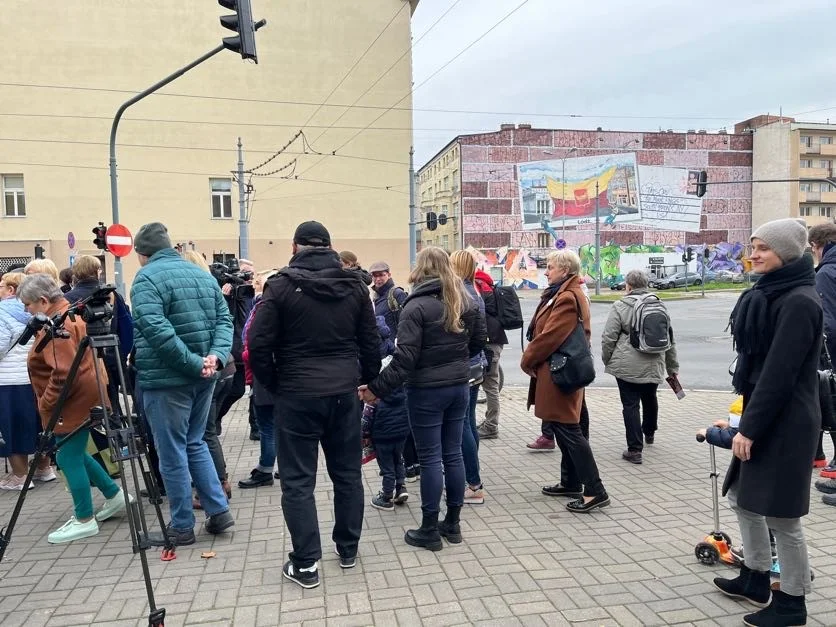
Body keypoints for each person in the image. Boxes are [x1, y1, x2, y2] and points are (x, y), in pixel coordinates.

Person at [249, 221, 380, 588]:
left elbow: (259, 346)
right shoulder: (355, 287)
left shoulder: (279, 285)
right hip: (343, 393)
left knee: (297, 481)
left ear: (294, 247)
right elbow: (371, 342)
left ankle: (306, 563)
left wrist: (275, 383)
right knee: (347, 474)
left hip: (297, 394)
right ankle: (348, 547)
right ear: (330, 247)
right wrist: (367, 382)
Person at [712, 218, 820, 626]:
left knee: (783, 518)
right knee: (741, 498)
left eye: (763, 248)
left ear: (787, 253)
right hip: (765, 412)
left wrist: (749, 429)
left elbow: (779, 374)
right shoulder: (770, 294)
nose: (753, 254)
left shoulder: (799, 301)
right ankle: (755, 577)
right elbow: (760, 372)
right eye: (753, 246)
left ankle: (793, 602)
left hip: (786, 423)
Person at [360, 247, 486, 551]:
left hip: (427, 391)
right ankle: (452, 524)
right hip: (458, 385)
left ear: (421, 269)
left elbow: (404, 360)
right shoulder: (465, 299)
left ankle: (430, 527)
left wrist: (375, 389)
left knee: (430, 458)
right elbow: (479, 341)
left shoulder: (415, 306)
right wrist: (454, 362)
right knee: (452, 453)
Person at [130, 222, 235, 546]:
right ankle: (218, 511)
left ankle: (181, 526)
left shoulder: (146, 279)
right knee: (195, 442)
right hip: (204, 376)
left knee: (172, 451)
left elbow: (156, 330)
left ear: (141, 253)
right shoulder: (202, 275)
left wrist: (193, 363)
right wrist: (214, 358)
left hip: (167, 380)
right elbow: (224, 320)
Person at [18, 274, 130, 543]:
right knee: (76, 451)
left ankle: (84, 518)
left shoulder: (58, 325)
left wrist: (46, 403)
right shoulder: (72, 314)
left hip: (70, 400)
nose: (26, 310)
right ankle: (114, 496)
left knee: (68, 457)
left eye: (28, 304)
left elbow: (63, 373)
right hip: (88, 393)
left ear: (43, 301)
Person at [520, 250, 609, 514]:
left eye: (550, 267)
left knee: (568, 430)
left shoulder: (567, 298)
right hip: (561, 371)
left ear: (566, 270)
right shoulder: (562, 294)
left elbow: (550, 336)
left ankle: (595, 490)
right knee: (567, 427)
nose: (546, 272)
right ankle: (571, 482)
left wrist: (527, 360)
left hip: (561, 373)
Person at [601, 269, 679, 464]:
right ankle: (650, 432)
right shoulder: (659, 304)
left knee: (630, 405)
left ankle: (635, 450)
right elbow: (669, 338)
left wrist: (607, 358)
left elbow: (609, 336)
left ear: (628, 285)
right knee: (650, 397)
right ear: (646, 284)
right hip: (654, 360)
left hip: (626, 363)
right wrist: (672, 367)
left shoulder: (620, 305)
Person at [182, 251, 232, 503]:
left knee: (203, 434)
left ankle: (217, 486)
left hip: (210, 369)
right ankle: (218, 483)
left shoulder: (192, 290)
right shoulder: (212, 287)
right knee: (206, 432)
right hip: (224, 366)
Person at [369, 260, 419, 480]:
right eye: (375, 275)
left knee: (397, 411)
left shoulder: (395, 294)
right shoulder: (377, 297)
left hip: (395, 358)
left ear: (389, 274)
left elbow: (405, 324)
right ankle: (404, 465)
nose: (378, 278)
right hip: (386, 358)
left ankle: (408, 464)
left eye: (381, 275)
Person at [0, 272, 49, 490]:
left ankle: (20, 476)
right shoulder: (37, 311)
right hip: (34, 375)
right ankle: (43, 468)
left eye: (2, 285)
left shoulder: (2, 313)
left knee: (12, 427)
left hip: (8, 379)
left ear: (11, 290)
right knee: (39, 424)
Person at [450, 249, 488, 505]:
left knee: (462, 424)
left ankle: (473, 483)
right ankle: (471, 476)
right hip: (476, 364)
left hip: (464, 365)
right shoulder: (474, 290)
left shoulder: (461, 294)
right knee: (469, 421)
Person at [238, 269, 280, 489]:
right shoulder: (286, 307)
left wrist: (246, 356)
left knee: (267, 426)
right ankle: (284, 466)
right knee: (278, 425)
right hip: (280, 375)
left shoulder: (265, 309)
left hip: (264, 375)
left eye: (259, 283)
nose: (254, 286)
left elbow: (253, 346)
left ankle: (265, 470)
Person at [368, 314, 410, 511]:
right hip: (402, 426)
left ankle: (386, 496)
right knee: (398, 457)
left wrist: (365, 434)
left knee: (386, 465)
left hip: (383, 430)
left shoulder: (373, 369)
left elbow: (369, 411)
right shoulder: (395, 358)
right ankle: (401, 487)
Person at [215, 258, 255, 439]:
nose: (247, 278)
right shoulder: (224, 294)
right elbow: (223, 319)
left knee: (238, 390)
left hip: (241, 349)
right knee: (227, 388)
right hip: (227, 349)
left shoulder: (248, 294)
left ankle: (215, 418)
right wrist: (225, 298)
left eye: (250, 275)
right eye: (244, 273)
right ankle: (213, 420)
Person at [808, 223, 836, 479]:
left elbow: (827, 322)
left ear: (820, 246)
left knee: (827, 400)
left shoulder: (826, 274)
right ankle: (816, 455)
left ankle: (826, 459)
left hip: (830, 354)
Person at [474, 268, 508, 440]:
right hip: (495, 338)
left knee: (490, 384)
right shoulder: (485, 283)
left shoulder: (477, 286)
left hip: (490, 341)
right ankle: (489, 422)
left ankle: (492, 425)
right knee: (490, 383)